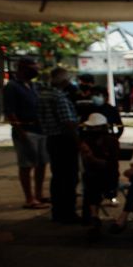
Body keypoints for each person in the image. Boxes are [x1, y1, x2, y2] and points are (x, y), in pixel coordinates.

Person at [3, 57, 50, 209]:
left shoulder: (33, 86)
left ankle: (38, 194)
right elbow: (10, 112)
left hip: (41, 129)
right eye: (33, 67)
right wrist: (21, 133)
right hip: (26, 130)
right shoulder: (12, 86)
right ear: (24, 68)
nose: (36, 70)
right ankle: (29, 198)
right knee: (26, 165)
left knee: (42, 164)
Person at [37, 68, 80, 223]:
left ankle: (58, 211)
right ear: (63, 80)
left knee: (58, 177)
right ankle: (68, 212)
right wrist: (78, 139)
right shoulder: (59, 96)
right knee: (69, 178)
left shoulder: (43, 94)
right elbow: (67, 123)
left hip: (52, 139)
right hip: (64, 141)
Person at [78, 113, 119, 237]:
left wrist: (92, 158)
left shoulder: (112, 142)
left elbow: (111, 165)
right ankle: (94, 216)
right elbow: (87, 164)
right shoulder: (87, 142)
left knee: (92, 180)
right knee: (90, 179)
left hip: (108, 177)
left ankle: (93, 216)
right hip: (93, 176)